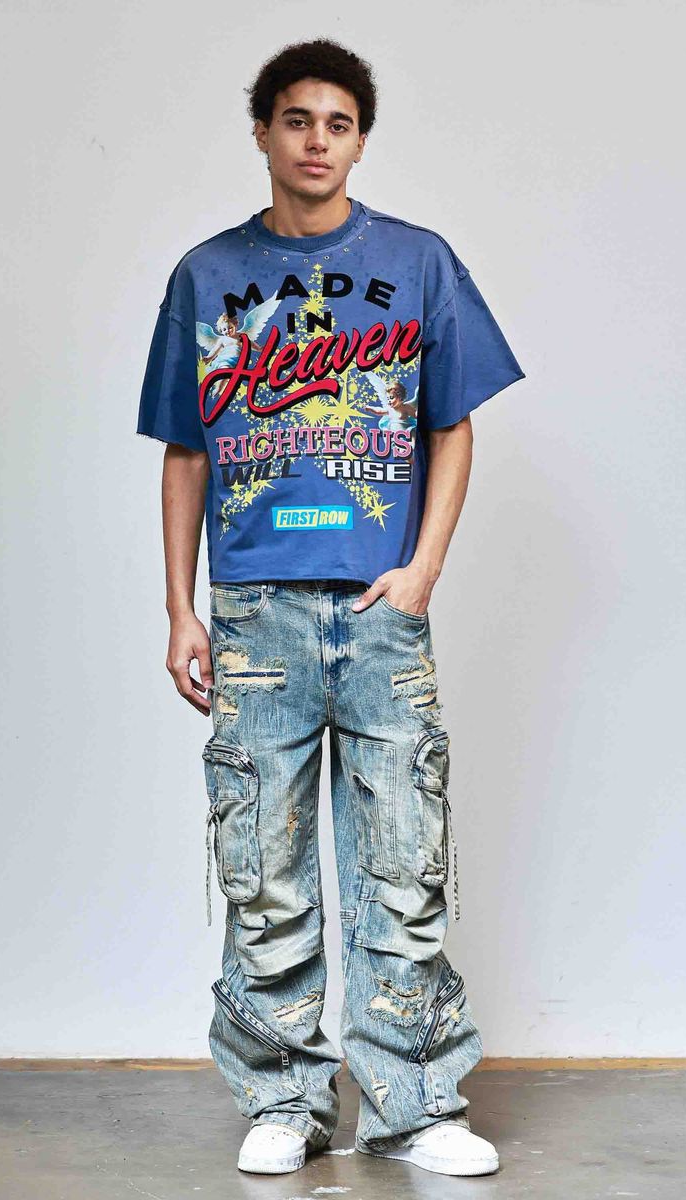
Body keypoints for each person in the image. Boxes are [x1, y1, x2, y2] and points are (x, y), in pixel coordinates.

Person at [136, 37, 525, 1180]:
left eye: (338, 122)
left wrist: (423, 569)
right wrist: (180, 609)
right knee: (262, 866)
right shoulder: (205, 275)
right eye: (297, 119)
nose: (316, 140)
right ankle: (284, 1099)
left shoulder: (416, 261)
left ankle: (412, 1105)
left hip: (378, 607)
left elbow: (451, 425)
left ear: (360, 139)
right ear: (262, 131)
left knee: (403, 861)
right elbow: (184, 452)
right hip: (253, 610)